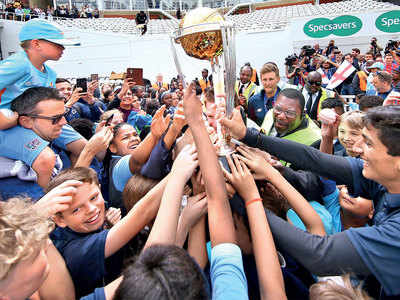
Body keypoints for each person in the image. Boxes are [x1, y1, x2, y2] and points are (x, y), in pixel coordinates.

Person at [221, 105, 400, 298]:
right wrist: (249, 136)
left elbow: (319, 254)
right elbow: (315, 159)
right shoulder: (384, 178)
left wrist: (245, 199)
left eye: (369, 144)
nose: (356, 148)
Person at [48, 167, 167, 298]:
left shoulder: (91, 223)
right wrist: (177, 173)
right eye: (76, 210)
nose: (91, 209)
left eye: (94, 197)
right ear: (59, 220)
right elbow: (143, 213)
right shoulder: (75, 251)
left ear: (99, 188)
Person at [0, 20, 85, 188]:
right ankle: (45, 204)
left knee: (83, 147)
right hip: (10, 124)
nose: (63, 49)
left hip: (41, 120)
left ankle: (76, 187)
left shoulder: (50, 74)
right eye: (57, 44)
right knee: (46, 159)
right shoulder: (19, 63)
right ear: (36, 43)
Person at [260, 88, 321, 164]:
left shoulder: (316, 141)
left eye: (289, 113)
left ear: (303, 114)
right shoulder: (270, 114)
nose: (281, 116)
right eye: (278, 109)